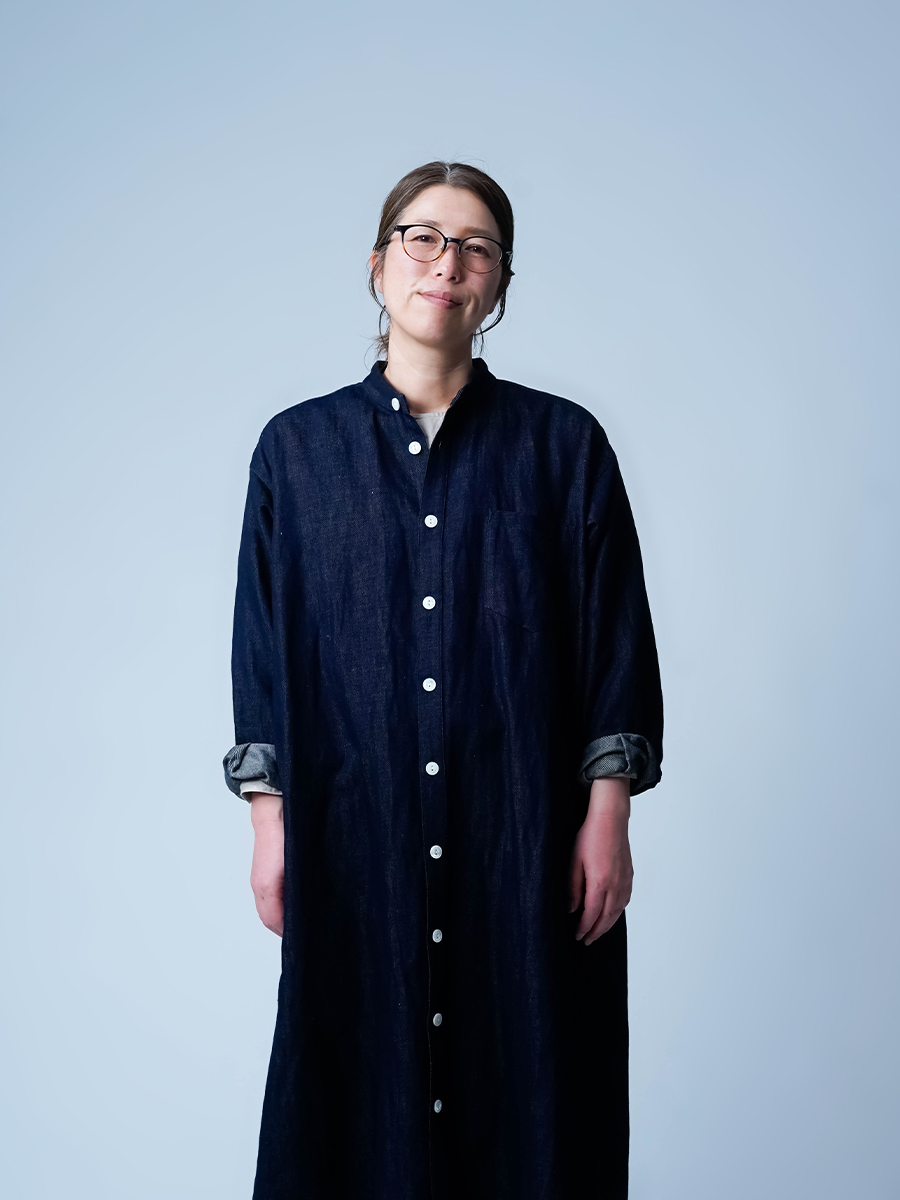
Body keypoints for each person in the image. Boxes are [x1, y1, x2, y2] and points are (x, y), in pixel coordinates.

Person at [223, 160, 663, 1200]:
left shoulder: (563, 448)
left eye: (475, 247)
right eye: (422, 238)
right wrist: (270, 823)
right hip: (355, 837)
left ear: (499, 282)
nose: (446, 263)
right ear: (379, 265)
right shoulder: (297, 453)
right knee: (351, 1098)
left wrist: (608, 815)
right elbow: (262, 644)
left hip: (525, 842)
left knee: (534, 1087)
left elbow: (614, 638)